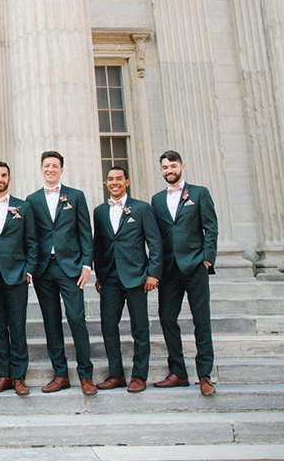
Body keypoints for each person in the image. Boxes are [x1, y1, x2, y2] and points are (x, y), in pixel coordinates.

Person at [26, 151, 96, 395]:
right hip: (44, 270)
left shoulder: (75, 197)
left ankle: (86, 375)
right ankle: (60, 374)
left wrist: (87, 265)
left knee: (76, 319)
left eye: (55, 166)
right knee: (51, 322)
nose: (50, 169)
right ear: (41, 168)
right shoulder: (31, 200)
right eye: (46, 165)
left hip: (71, 268)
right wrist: (30, 267)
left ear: (61, 170)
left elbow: (85, 232)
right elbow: (30, 237)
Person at [150, 150, 219, 396]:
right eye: (165, 167)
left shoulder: (200, 193)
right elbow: (155, 237)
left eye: (173, 166)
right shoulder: (156, 200)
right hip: (169, 270)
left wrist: (207, 260)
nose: (169, 170)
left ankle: (204, 375)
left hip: (195, 267)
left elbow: (211, 228)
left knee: (201, 321)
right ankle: (178, 372)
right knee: (167, 318)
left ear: (182, 166)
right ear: (161, 170)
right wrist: (155, 269)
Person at [92, 166, 162, 393]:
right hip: (110, 278)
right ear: (106, 183)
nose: (114, 183)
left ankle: (139, 376)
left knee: (139, 327)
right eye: (110, 179)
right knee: (108, 326)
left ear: (127, 182)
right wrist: (99, 274)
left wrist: (153, 273)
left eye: (119, 179)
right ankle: (116, 375)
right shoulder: (100, 211)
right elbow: (99, 244)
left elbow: (155, 242)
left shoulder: (141, 209)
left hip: (137, 277)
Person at [0, 161, 37, 396]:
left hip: (17, 276)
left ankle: (19, 376)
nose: (0, 179)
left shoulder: (24, 207)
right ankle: (4, 374)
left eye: (3, 175)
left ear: (9, 179)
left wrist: (29, 271)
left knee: (18, 326)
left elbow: (32, 241)